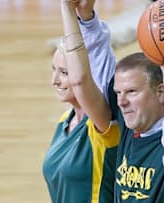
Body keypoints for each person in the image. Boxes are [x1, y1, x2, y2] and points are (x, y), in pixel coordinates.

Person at [63, 0, 164, 202]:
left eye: (132, 92)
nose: (121, 102)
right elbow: (100, 62)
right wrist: (86, 18)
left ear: (161, 92)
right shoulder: (129, 126)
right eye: (118, 92)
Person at [42, 0, 119, 202]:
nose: (55, 80)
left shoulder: (102, 125)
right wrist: (84, 13)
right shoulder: (63, 122)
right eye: (54, 70)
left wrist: (68, 7)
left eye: (64, 72)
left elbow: (83, 79)